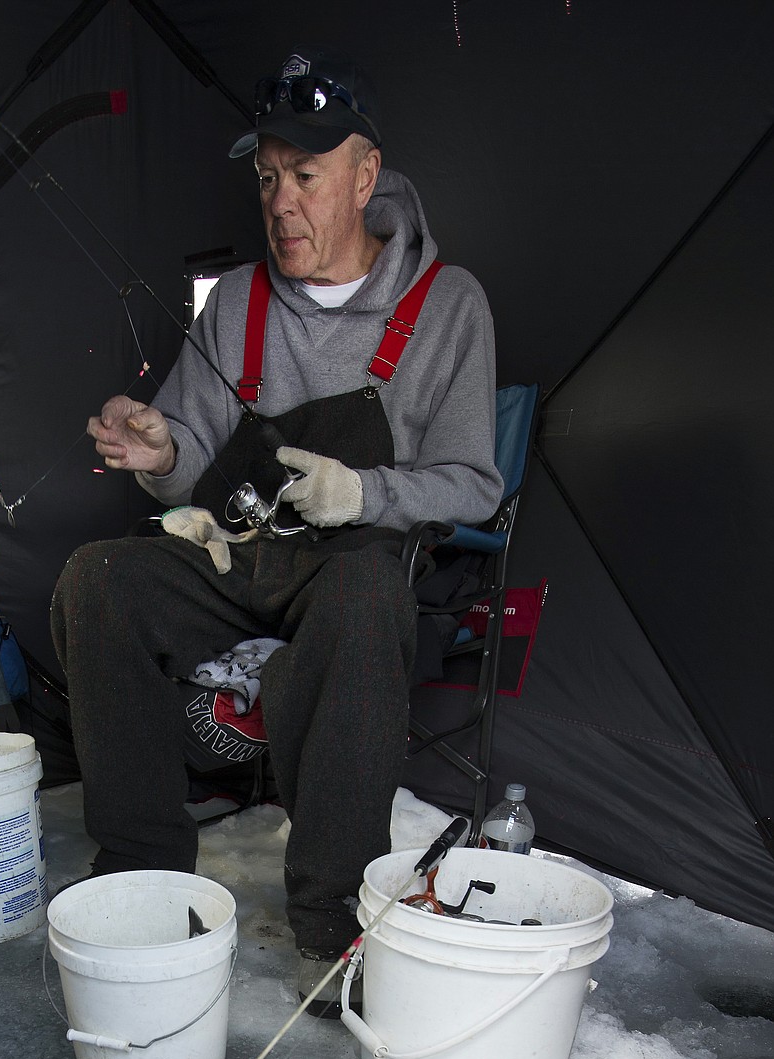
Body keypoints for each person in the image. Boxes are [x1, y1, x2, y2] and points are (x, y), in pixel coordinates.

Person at [51, 47, 502, 1010]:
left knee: (365, 591)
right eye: (266, 179)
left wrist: (364, 494)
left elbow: (473, 483)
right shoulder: (240, 302)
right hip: (240, 552)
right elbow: (185, 450)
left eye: (304, 175)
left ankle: (334, 915)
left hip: (357, 565)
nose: (280, 203)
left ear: (365, 175)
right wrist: (155, 449)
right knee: (97, 578)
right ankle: (141, 873)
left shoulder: (448, 303)